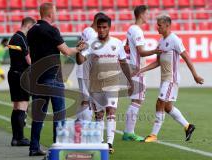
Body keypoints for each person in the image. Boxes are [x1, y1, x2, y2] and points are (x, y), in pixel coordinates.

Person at [27, 3, 85, 156]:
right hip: (52, 77)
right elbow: (66, 51)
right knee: (59, 114)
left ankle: (34, 148)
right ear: (50, 14)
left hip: (36, 77)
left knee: (38, 115)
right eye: (56, 11)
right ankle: (57, 147)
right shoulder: (52, 30)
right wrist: (78, 49)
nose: (57, 13)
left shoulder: (31, 30)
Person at [137, 15, 204, 142]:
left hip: (171, 79)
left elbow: (186, 57)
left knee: (159, 103)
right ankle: (188, 126)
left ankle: (153, 135)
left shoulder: (175, 40)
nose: (157, 27)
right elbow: (158, 62)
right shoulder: (161, 41)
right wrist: (142, 70)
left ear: (167, 25)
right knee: (167, 107)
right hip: (165, 79)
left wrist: (195, 75)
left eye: (159, 25)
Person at [76, 14, 134, 154]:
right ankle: (100, 142)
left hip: (113, 82)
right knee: (99, 114)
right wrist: (78, 50)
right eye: (99, 27)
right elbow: (79, 61)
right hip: (95, 83)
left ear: (109, 28)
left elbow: (124, 63)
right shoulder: (90, 42)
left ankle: (109, 142)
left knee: (111, 111)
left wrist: (131, 81)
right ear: (96, 27)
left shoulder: (117, 43)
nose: (101, 30)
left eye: (104, 27)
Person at [122, 5, 162, 141]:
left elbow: (126, 47)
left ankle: (128, 132)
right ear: (141, 14)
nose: (148, 16)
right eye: (147, 14)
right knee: (137, 101)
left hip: (133, 68)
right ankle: (129, 133)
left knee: (136, 100)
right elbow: (141, 52)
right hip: (138, 70)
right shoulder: (137, 31)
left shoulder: (131, 29)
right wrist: (156, 51)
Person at [7, 17, 36, 146]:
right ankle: (19, 138)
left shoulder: (14, 37)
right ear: (29, 26)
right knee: (22, 106)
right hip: (20, 75)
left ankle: (16, 138)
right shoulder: (21, 38)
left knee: (17, 106)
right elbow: (28, 59)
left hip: (13, 73)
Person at [76, 12, 105, 122]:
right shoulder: (92, 34)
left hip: (84, 70)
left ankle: (79, 123)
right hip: (86, 71)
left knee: (87, 100)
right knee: (87, 100)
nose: (102, 29)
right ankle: (84, 127)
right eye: (101, 25)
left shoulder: (87, 31)